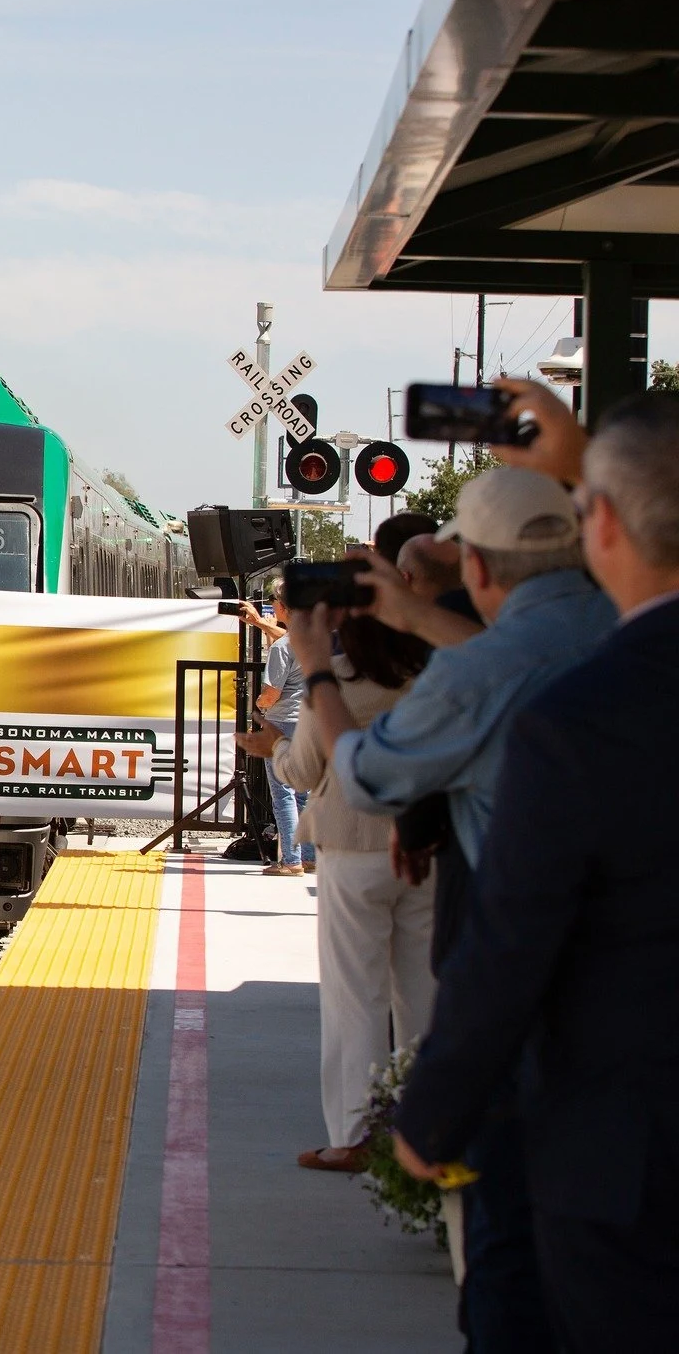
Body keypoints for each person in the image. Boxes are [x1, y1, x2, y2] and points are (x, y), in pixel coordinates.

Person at [297, 457, 616, 1352]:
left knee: (506, 1263)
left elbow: (366, 773)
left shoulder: (483, 671)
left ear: (475, 568)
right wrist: (410, 615)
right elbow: (503, 656)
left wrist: (317, 667)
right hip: (630, 1006)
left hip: (528, 993)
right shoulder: (610, 627)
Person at [395, 389, 679, 1348]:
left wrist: (431, 1114)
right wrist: (586, 455)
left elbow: (512, 944)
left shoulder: (581, 720)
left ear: (599, 525)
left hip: (629, 1161)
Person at [243, 576, 436, 1172]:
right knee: (421, 997)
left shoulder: (339, 683)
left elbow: (301, 771)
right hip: (424, 847)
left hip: (351, 848)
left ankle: (353, 1136)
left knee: (356, 997)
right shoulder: (429, 681)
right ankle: (425, 1130)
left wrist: (267, 749)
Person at [233, 602, 312, 876]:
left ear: (283, 607)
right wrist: (261, 625)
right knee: (304, 792)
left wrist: (259, 704)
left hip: (282, 722)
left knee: (283, 793)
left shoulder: (282, 646)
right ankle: (310, 856)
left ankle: (291, 860)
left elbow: (271, 692)